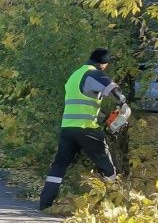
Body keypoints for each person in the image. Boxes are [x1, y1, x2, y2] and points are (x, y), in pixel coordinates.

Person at [37, 48, 126, 211]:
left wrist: (105, 118)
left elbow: (83, 104)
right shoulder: (94, 74)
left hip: (68, 129)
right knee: (107, 165)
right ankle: (114, 204)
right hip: (87, 129)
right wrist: (123, 104)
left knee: (59, 165)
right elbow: (115, 92)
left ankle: (45, 203)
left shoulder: (75, 76)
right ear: (103, 64)